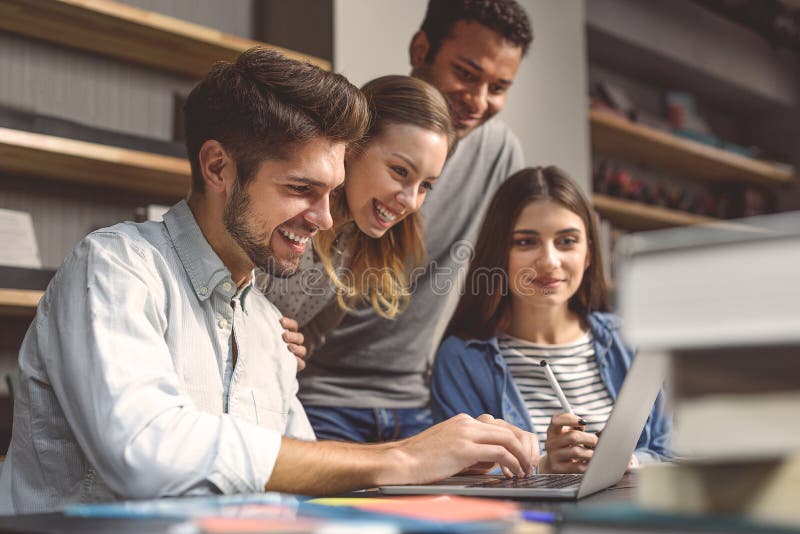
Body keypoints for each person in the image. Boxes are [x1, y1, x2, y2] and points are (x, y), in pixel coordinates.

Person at [0, 48, 539, 514]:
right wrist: (402, 456)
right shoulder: (114, 269)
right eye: (302, 188)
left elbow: (306, 484)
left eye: (331, 193)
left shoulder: (264, 325)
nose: (326, 219)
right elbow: (146, 453)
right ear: (217, 168)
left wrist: (447, 476)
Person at [296, 0, 534, 443]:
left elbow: (503, 284)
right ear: (421, 49)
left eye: (498, 86)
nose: (478, 101)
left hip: (418, 400)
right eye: (466, 73)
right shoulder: (349, 142)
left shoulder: (499, 154)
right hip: (322, 396)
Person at [430, 166, 671, 473]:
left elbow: (670, 450)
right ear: (499, 254)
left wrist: (627, 462)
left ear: (588, 255)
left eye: (567, 241)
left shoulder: (631, 341)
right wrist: (544, 466)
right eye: (526, 242)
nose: (549, 261)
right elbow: (454, 473)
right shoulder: (462, 359)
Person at [265, 75, 456, 367]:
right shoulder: (285, 209)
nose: (410, 201)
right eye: (400, 171)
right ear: (353, 147)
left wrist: (298, 349)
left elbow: (313, 332)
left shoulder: (358, 241)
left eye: (425, 185)